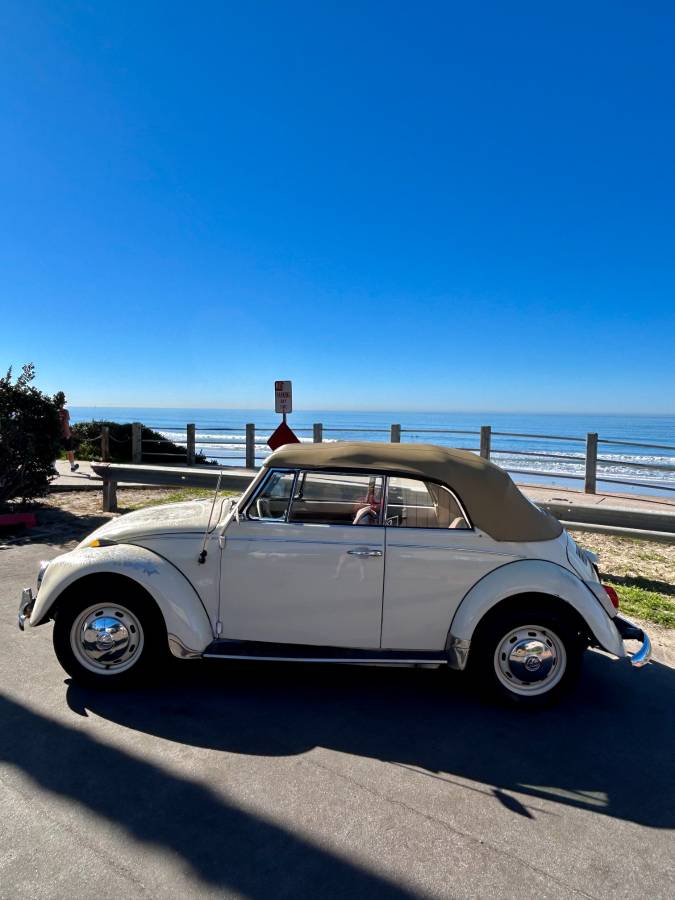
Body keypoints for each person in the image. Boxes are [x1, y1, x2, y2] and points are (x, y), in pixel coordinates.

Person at [54, 392, 79, 472]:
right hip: (66, 435)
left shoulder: (53, 411)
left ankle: (52, 468)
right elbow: (65, 422)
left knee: (54, 451)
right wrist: (68, 433)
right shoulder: (65, 412)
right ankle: (72, 467)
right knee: (70, 451)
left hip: (57, 434)